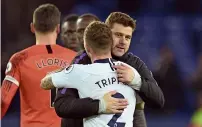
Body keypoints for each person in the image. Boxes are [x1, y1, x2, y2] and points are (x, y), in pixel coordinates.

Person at [54, 12, 165, 127]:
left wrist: (136, 81)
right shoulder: (82, 61)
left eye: (128, 37)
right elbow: (62, 105)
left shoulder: (134, 64)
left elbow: (158, 100)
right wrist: (99, 105)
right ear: (106, 33)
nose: (123, 42)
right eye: (118, 35)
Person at [41, 21, 141, 127]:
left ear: (86, 47)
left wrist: (67, 71)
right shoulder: (131, 72)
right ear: (111, 44)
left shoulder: (78, 71)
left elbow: (44, 83)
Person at [1, 3, 76, 127]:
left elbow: (3, 100)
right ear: (58, 28)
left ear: (32, 27)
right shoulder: (75, 58)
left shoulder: (20, 59)